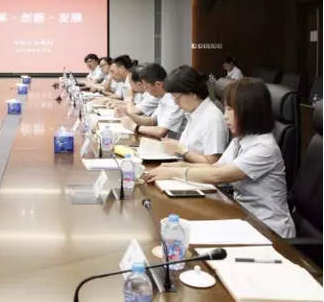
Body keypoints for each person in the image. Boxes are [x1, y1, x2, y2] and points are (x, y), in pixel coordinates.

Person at [146, 78, 295, 238]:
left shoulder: (264, 148)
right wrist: (177, 167)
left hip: (269, 229)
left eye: (230, 109)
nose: (225, 116)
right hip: (244, 216)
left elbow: (219, 176)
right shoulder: (241, 139)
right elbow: (216, 167)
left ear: (249, 111)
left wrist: (174, 173)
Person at [160, 66, 229, 163]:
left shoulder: (212, 118)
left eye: (177, 97)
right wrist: (174, 145)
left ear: (193, 93)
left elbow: (212, 162)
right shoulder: (194, 112)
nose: (176, 103)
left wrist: (182, 151)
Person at [119, 63, 186, 139]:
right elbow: (151, 121)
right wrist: (128, 115)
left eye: (146, 87)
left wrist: (135, 127)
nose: (146, 90)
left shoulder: (173, 100)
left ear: (158, 84)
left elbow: (161, 132)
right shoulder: (163, 97)